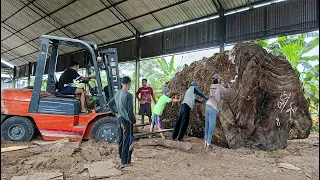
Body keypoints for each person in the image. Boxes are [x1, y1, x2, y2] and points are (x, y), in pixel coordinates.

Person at [108, 76, 136, 169]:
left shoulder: (117, 93)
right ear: (128, 83)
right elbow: (129, 110)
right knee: (127, 140)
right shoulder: (128, 95)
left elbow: (110, 104)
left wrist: (115, 112)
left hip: (119, 119)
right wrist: (133, 121)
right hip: (126, 120)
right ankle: (125, 161)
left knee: (120, 140)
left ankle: (121, 158)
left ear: (121, 83)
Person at [205, 74, 230, 151]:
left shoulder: (211, 86)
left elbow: (216, 94)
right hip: (213, 106)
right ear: (218, 80)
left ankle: (205, 143)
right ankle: (208, 145)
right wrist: (229, 86)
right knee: (212, 126)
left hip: (208, 104)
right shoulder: (219, 86)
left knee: (207, 124)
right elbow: (226, 91)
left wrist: (220, 97)